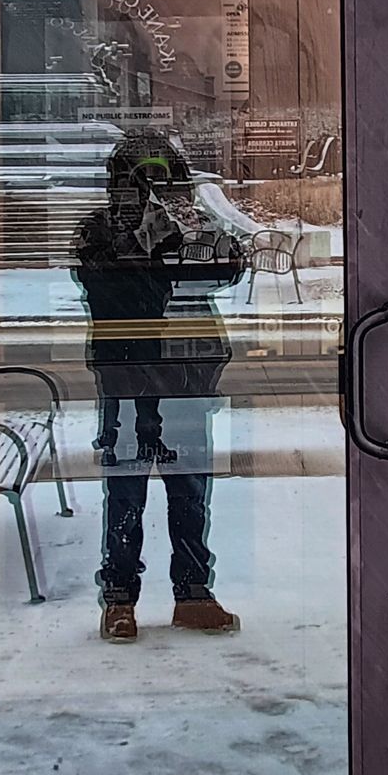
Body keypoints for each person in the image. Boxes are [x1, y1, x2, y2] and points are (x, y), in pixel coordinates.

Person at [71, 135, 246, 642]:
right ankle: (120, 599)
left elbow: (229, 268)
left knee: (190, 489)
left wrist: (193, 239)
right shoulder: (98, 232)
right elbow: (106, 285)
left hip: (186, 377)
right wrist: (149, 246)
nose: (153, 196)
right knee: (126, 491)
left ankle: (193, 592)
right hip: (128, 376)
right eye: (141, 184)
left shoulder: (186, 225)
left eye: (166, 184)